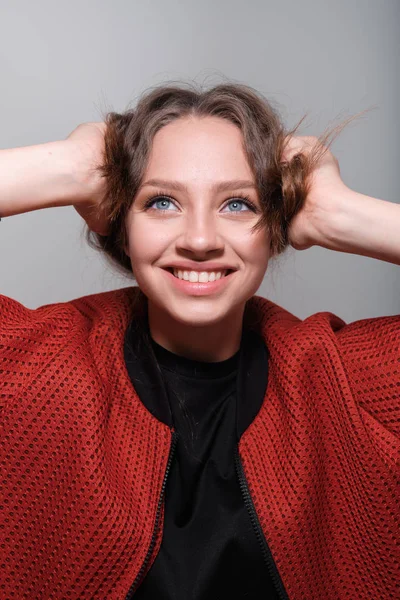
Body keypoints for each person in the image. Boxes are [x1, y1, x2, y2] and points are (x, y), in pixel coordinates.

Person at [0, 82, 398, 600]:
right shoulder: (37, 366)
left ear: (275, 226)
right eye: (162, 202)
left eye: (237, 204)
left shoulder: (344, 383)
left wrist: (341, 214)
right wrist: (70, 166)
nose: (201, 239)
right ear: (122, 224)